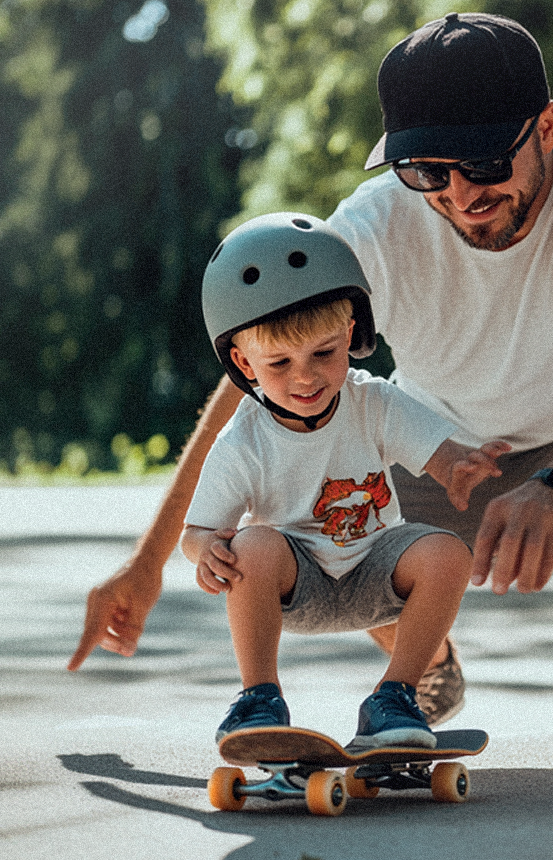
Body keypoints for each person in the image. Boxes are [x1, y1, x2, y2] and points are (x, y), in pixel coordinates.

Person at [70, 11, 553, 764]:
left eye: (485, 162)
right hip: (429, 462)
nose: (459, 195)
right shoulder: (375, 227)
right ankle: (420, 670)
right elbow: (253, 389)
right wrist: (148, 561)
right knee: (294, 460)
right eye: (427, 172)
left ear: (546, 126)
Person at [178, 212, 505, 752]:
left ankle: (395, 697)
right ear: (244, 363)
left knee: (446, 553)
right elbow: (197, 532)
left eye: (323, 353)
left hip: (376, 569)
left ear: (350, 334)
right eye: (279, 362)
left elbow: (436, 451)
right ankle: (259, 698)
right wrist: (206, 550)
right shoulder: (243, 441)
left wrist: (460, 466)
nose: (305, 377)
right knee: (251, 543)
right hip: (296, 582)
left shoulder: (371, 401)